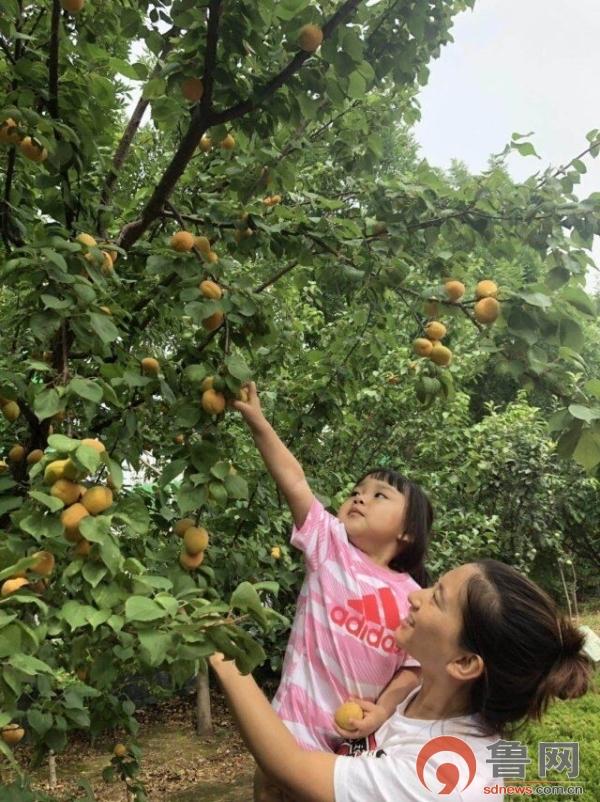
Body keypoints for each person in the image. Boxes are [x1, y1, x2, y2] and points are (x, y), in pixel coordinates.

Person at [210, 559, 592, 802]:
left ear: (462, 662)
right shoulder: (422, 702)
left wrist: (222, 652)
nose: (416, 597)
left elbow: (287, 764)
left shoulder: (444, 777)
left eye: (437, 599)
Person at [231, 382, 434, 800]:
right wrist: (259, 423)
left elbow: (414, 667)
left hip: (355, 747)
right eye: (357, 492)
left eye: (380, 496)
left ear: (408, 531)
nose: (360, 498)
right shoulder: (330, 546)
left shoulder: (415, 596)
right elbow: (293, 478)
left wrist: (383, 710)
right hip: (290, 731)